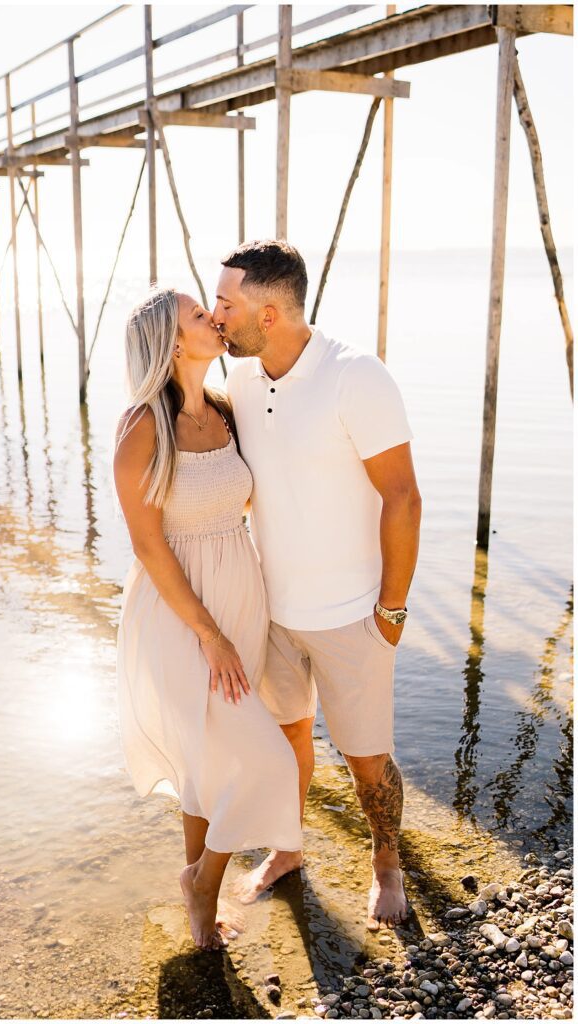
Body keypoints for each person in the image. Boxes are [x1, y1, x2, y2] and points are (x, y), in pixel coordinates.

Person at [213, 239, 422, 930]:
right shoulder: (239, 378)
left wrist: (391, 610)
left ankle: (386, 861)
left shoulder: (356, 376)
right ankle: (288, 849)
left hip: (351, 616)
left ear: (268, 314)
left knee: (367, 765)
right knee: (284, 745)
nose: (217, 318)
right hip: (273, 611)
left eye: (226, 304)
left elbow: (403, 498)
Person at [113, 286, 303, 951]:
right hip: (180, 615)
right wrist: (210, 634)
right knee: (269, 761)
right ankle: (202, 880)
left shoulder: (225, 411)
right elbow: (146, 544)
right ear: (172, 341)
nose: (215, 319)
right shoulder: (143, 424)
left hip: (239, 597)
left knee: (207, 764)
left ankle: (202, 894)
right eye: (201, 315)